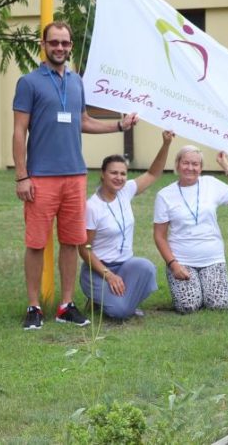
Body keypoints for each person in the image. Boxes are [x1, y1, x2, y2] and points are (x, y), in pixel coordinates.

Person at [13, 21, 138, 331]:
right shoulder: (28, 82)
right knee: (36, 244)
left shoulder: (76, 82)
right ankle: (33, 305)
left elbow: (83, 120)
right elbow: (18, 132)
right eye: (54, 42)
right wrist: (21, 176)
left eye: (65, 43)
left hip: (75, 175)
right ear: (43, 45)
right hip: (41, 177)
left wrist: (118, 126)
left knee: (72, 242)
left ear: (70, 46)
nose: (60, 48)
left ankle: (66, 305)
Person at [79, 130, 174, 320]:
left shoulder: (125, 191)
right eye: (113, 172)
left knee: (147, 268)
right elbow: (84, 249)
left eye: (123, 173)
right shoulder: (92, 207)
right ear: (103, 175)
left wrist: (166, 145)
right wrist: (108, 275)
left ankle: (115, 301)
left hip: (125, 266)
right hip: (99, 269)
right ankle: (103, 299)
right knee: (120, 313)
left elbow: (153, 173)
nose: (119, 177)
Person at [153, 146, 228, 313]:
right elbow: (159, 236)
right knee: (188, 306)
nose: (190, 168)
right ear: (177, 165)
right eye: (186, 163)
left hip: (212, 258)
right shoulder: (164, 195)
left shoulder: (211, 184)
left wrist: (226, 166)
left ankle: (204, 286)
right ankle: (192, 287)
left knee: (219, 304)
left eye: (195, 164)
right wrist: (173, 265)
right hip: (182, 260)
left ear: (201, 167)